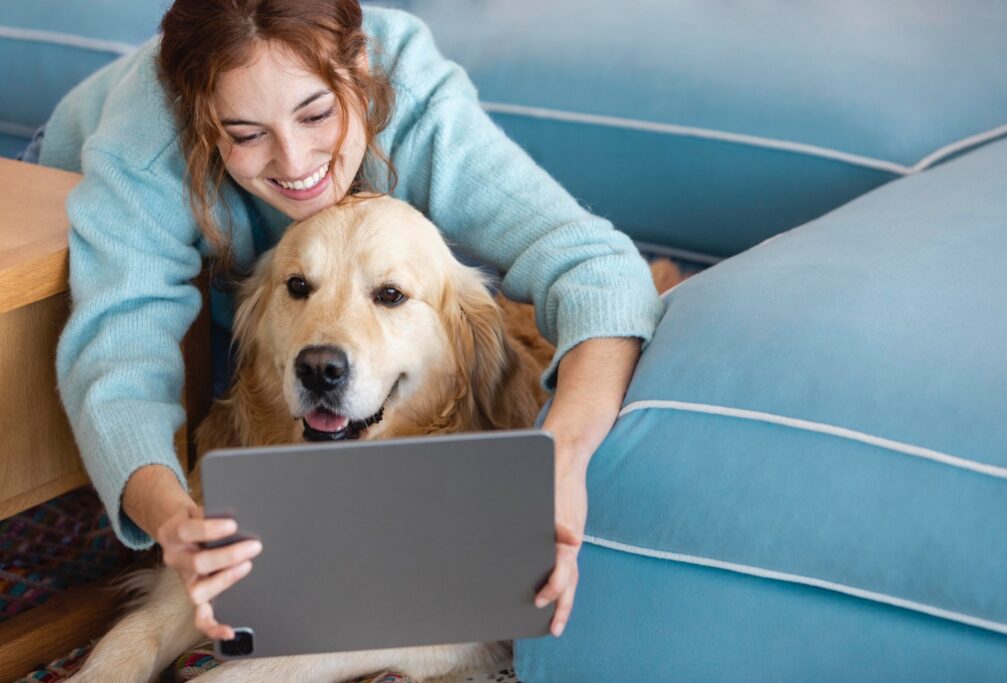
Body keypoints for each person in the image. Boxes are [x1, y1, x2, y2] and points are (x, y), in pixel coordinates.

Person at [37, 0, 664, 644]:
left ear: (359, 71)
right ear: (202, 119)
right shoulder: (143, 149)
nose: (294, 161)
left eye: (316, 114)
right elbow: (118, 363)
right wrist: (175, 525)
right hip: (61, 209)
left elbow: (597, 268)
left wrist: (559, 459)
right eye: (246, 133)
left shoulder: (414, 94)